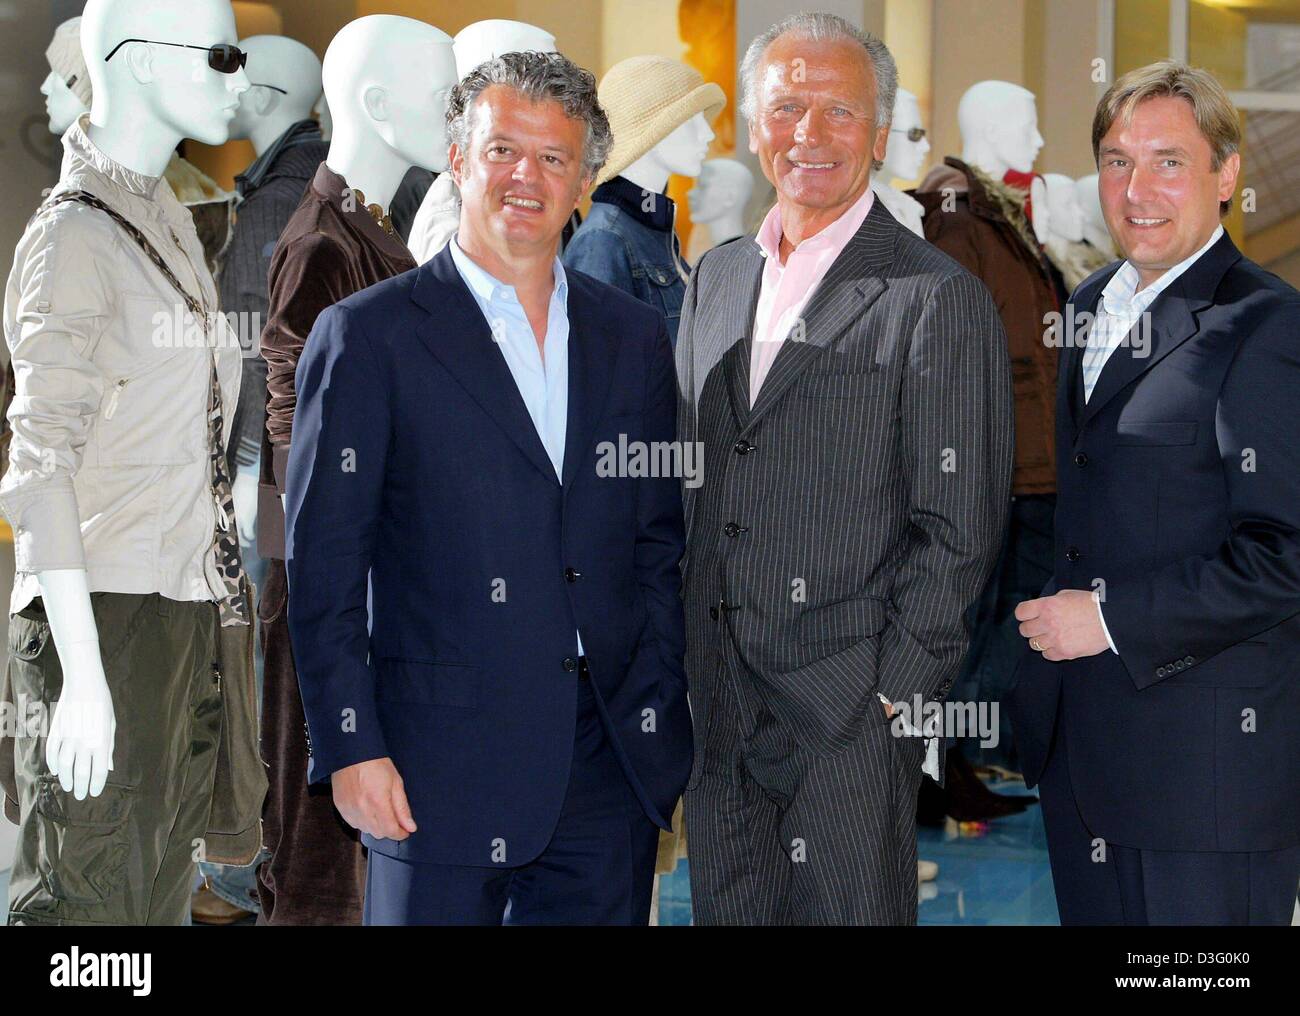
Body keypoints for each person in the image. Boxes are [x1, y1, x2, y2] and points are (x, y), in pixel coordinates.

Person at [284, 51, 692, 925]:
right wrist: (352, 745)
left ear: (586, 177)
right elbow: (322, 567)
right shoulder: (366, 337)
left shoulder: (631, 338)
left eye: (554, 158)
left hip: (606, 768)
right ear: (459, 158)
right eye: (503, 148)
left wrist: (654, 708)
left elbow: (657, 541)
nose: (525, 177)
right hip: (433, 769)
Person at [676, 12, 1014, 925]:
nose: (809, 135)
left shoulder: (935, 297)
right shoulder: (712, 280)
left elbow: (962, 527)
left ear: (878, 131)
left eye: (839, 111)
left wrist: (890, 700)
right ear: (754, 128)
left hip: (848, 715)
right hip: (717, 706)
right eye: (787, 108)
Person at [1007, 60, 1300, 926]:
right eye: (1115, 160)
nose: (1137, 189)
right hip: (1083, 755)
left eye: (1169, 161)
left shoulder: (1267, 324)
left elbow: (1283, 554)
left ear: (1227, 174)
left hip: (1206, 780)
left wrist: (1107, 619)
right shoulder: (1092, 302)